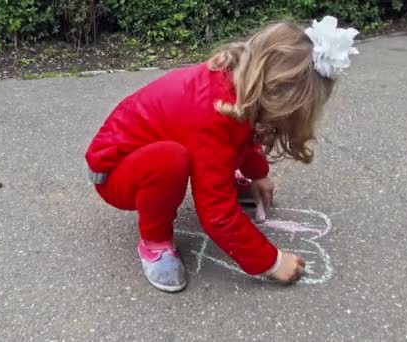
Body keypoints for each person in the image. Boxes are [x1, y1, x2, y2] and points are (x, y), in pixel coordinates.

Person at [85, 16, 359, 292]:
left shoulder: (236, 83)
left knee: (206, 148)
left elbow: (240, 135)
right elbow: (216, 213)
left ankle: (216, 180)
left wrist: (259, 174)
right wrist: (271, 262)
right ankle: (154, 244)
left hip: (142, 156)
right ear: (281, 99)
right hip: (115, 174)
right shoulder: (211, 115)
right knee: (170, 159)